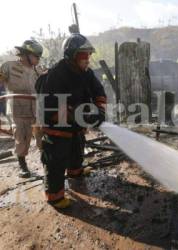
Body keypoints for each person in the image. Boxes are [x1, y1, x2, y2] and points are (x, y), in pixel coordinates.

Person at [38, 34, 106, 209]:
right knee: (56, 161)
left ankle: (75, 172)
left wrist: (99, 111)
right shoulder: (55, 75)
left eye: (89, 55)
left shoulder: (87, 73)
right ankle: (55, 196)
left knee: (77, 148)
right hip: (57, 129)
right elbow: (49, 107)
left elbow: (99, 92)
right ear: (72, 56)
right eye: (84, 55)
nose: (87, 59)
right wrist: (78, 115)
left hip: (76, 127)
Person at [0, 40, 43, 178]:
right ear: (27, 54)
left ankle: (47, 163)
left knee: (43, 137)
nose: (38, 59)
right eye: (36, 56)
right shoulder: (8, 66)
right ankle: (22, 166)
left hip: (36, 109)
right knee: (22, 137)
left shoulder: (39, 70)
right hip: (18, 109)